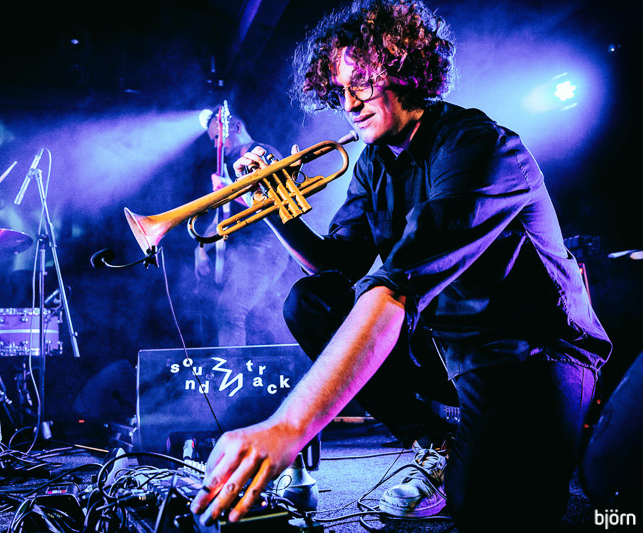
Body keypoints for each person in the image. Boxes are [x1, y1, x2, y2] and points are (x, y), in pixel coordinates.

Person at [189, 1, 612, 531]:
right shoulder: (374, 161)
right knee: (311, 302)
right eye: (340, 90)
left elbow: (397, 285)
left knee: (485, 510)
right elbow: (337, 265)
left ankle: (528, 445)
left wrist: (288, 427)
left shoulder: (477, 145)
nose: (349, 104)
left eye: (362, 84)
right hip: (446, 345)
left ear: (407, 70)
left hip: (529, 353)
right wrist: (272, 210)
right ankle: (433, 443)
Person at [193, 111, 292, 346]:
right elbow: (221, 219)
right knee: (235, 315)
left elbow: (275, 203)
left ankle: (231, 368)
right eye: (213, 140)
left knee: (230, 311)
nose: (216, 145)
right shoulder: (230, 167)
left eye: (218, 137)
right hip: (247, 253)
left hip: (268, 248)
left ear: (237, 127)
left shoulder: (261, 153)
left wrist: (229, 189)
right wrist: (200, 248)